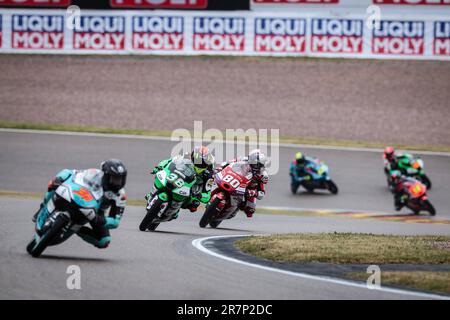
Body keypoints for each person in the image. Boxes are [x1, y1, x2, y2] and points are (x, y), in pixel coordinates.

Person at [32, 159, 127, 249]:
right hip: (79, 196)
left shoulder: (120, 195)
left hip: (95, 213)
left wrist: (103, 220)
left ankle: (75, 229)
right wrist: (59, 179)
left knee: (104, 241)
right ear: (106, 175)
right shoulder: (94, 173)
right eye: (114, 178)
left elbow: (116, 221)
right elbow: (71, 172)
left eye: (120, 179)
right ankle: (42, 207)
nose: (117, 182)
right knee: (54, 185)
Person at [150, 146, 215, 217]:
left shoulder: (209, 173)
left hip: (191, 190)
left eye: (203, 163)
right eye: (198, 161)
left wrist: (200, 196)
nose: (200, 164)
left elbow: (207, 193)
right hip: (178, 177)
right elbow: (170, 161)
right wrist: (159, 167)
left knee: (194, 204)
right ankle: (151, 195)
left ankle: (175, 209)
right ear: (193, 157)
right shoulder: (186, 156)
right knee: (159, 175)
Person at [220, 149, 269, 218]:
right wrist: (223, 166)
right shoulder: (242, 159)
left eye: (257, 164)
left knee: (250, 211)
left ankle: (236, 208)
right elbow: (229, 163)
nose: (254, 164)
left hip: (249, 189)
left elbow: (262, 194)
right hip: (237, 179)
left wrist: (254, 193)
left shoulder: (263, 175)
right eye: (253, 161)